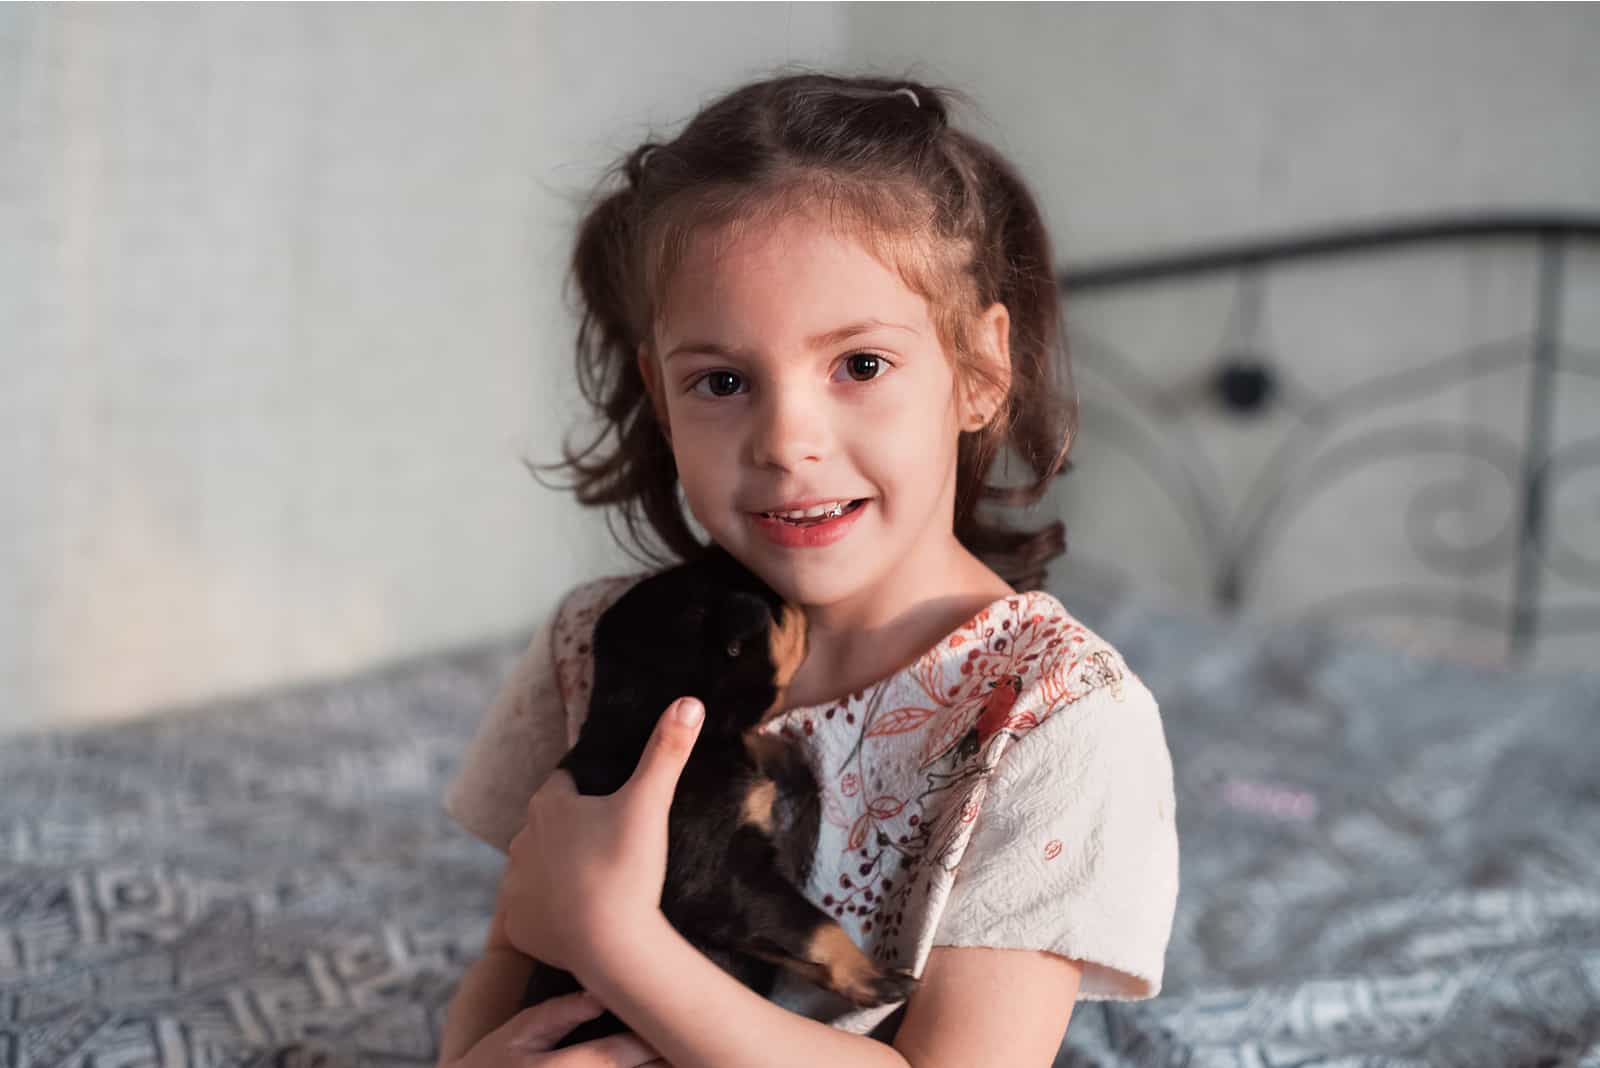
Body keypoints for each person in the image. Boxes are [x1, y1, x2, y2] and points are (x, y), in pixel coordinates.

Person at [435, 70, 1178, 1068]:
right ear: (659, 394)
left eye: (859, 366)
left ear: (979, 373)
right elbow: (513, 952)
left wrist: (616, 943)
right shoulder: (602, 644)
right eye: (723, 381)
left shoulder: (1055, 719)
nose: (787, 440)